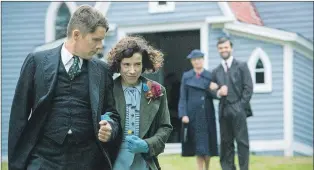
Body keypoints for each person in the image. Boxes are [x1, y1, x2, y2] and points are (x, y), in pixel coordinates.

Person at [8, 5, 122, 170]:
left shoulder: (102, 70)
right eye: (95, 39)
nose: (100, 46)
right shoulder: (37, 62)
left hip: (88, 160)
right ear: (76, 35)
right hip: (43, 158)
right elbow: (18, 117)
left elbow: (112, 113)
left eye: (102, 40)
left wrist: (110, 126)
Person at [106, 36, 173, 170]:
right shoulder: (107, 90)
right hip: (114, 163)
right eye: (127, 64)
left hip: (144, 163)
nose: (132, 70)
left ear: (144, 65)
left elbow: (165, 127)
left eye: (137, 64)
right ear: (118, 64)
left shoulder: (158, 90)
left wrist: (147, 145)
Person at [209, 37, 253, 170]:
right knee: (225, 143)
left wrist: (240, 106)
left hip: (238, 109)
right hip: (223, 111)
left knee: (242, 142)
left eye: (226, 47)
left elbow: (248, 88)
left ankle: (244, 168)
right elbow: (210, 89)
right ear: (218, 50)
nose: (224, 50)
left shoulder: (242, 66)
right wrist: (217, 92)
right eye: (221, 48)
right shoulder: (215, 71)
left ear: (231, 48)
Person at [178, 49, 219, 170]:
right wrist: (183, 114)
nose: (197, 62)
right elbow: (183, 97)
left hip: (207, 115)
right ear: (191, 62)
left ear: (203, 60)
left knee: (207, 146)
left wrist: (214, 89)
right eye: (194, 60)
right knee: (198, 146)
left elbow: (216, 95)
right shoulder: (186, 76)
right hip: (193, 116)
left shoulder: (209, 75)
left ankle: (207, 167)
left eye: (199, 59)